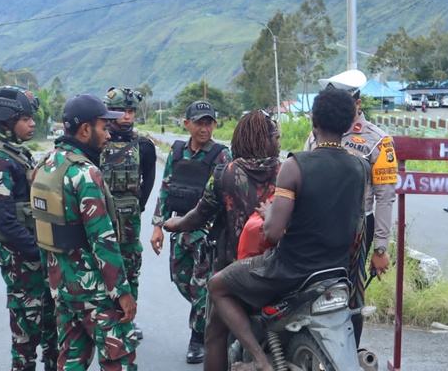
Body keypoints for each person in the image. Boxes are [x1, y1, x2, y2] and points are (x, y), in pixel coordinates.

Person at [199, 88, 368, 371]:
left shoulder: (294, 166)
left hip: (290, 270)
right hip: (336, 271)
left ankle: (261, 361)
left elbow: (274, 234)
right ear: (351, 123)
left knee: (217, 286)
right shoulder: (360, 167)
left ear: (314, 122)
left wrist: (268, 214)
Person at [162, 109, 281, 371]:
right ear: (264, 140)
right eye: (276, 136)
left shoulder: (225, 173)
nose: (279, 141)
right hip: (280, 266)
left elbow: (200, 214)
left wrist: (175, 224)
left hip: (235, 269)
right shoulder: (286, 173)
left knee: (214, 334)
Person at [31, 94, 138, 370]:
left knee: (71, 361)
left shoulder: (45, 167)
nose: (108, 134)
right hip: (95, 291)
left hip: (62, 288)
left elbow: (43, 234)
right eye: (104, 127)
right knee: (120, 360)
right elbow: (102, 240)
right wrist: (122, 293)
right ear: (86, 129)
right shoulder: (85, 173)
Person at [0, 86, 59, 371]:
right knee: (26, 329)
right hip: (23, 259)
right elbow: (5, 219)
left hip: (35, 254)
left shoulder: (17, 153)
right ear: (6, 120)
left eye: (32, 118)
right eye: (25, 118)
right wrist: (38, 251)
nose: (33, 123)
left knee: (50, 322)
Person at [304, 69, 395, 347]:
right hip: (317, 225)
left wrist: (380, 248)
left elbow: (385, 197)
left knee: (352, 296)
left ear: (356, 103)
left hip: (357, 228)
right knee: (312, 290)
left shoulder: (378, 140)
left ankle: (349, 354)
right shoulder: (315, 133)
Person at [149, 100, 231, 364]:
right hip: (179, 231)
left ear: (215, 125)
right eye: (199, 122)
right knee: (181, 279)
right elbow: (166, 188)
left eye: (209, 122)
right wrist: (158, 226)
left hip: (207, 234)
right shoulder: (176, 152)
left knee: (202, 286)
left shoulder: (221, 155)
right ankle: (208, 319)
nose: (204, 128)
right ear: (187, 124)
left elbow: (227, 193)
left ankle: (198, 337)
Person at [100, 87, 157, 340]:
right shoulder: (97, 142)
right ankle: (103, 317)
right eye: (121, 111)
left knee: (130, 267)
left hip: (131, 220)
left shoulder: (143, 145)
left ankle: (129, 320)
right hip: (100, 217)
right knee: (101, 266)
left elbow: (149, 180)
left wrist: (139, 206)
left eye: (131, 111)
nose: (126, 116)